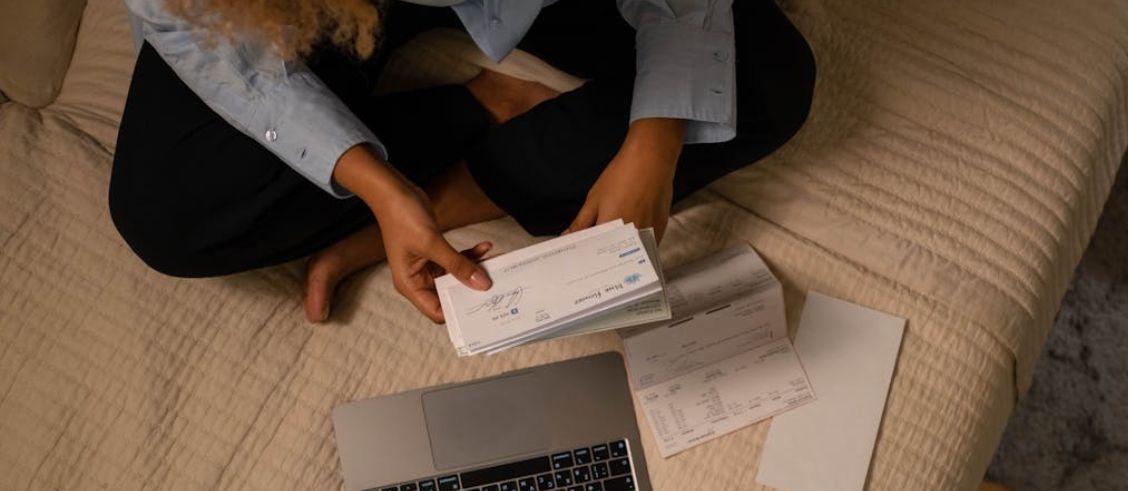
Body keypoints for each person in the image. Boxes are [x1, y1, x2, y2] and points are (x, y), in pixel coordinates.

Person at [110, 0, 815, 324]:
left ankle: (452, 193)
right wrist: (379, 188)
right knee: (168, 215)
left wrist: (653, 140)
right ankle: (479, 109)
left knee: (764, 76)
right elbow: (209, 46)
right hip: (290, 11)